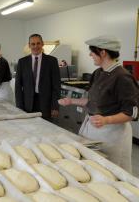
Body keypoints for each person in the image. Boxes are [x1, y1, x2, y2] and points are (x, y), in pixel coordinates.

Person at [58, 35, 139, 172]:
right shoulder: (98, 73)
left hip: (112, 133)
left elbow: (132, 113)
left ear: (103, 52)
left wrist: (107, 119)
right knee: (93, 168)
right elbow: (92, 101)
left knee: (111, 171)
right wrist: (71, 101)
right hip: (93, 128)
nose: (90, 54)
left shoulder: (122, 77)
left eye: (92, 51)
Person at [15, 34, 60, 120]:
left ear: (42, 44)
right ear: (29, 45)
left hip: (46, 104)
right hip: (27, 104)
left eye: (38, 43)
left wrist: (55, 106)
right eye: (33, 44)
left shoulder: (52, 61)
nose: (36, 46)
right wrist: (19, 106)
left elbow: (56, 86)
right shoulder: (22, 62)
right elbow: (18, 86)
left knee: (45, 129)